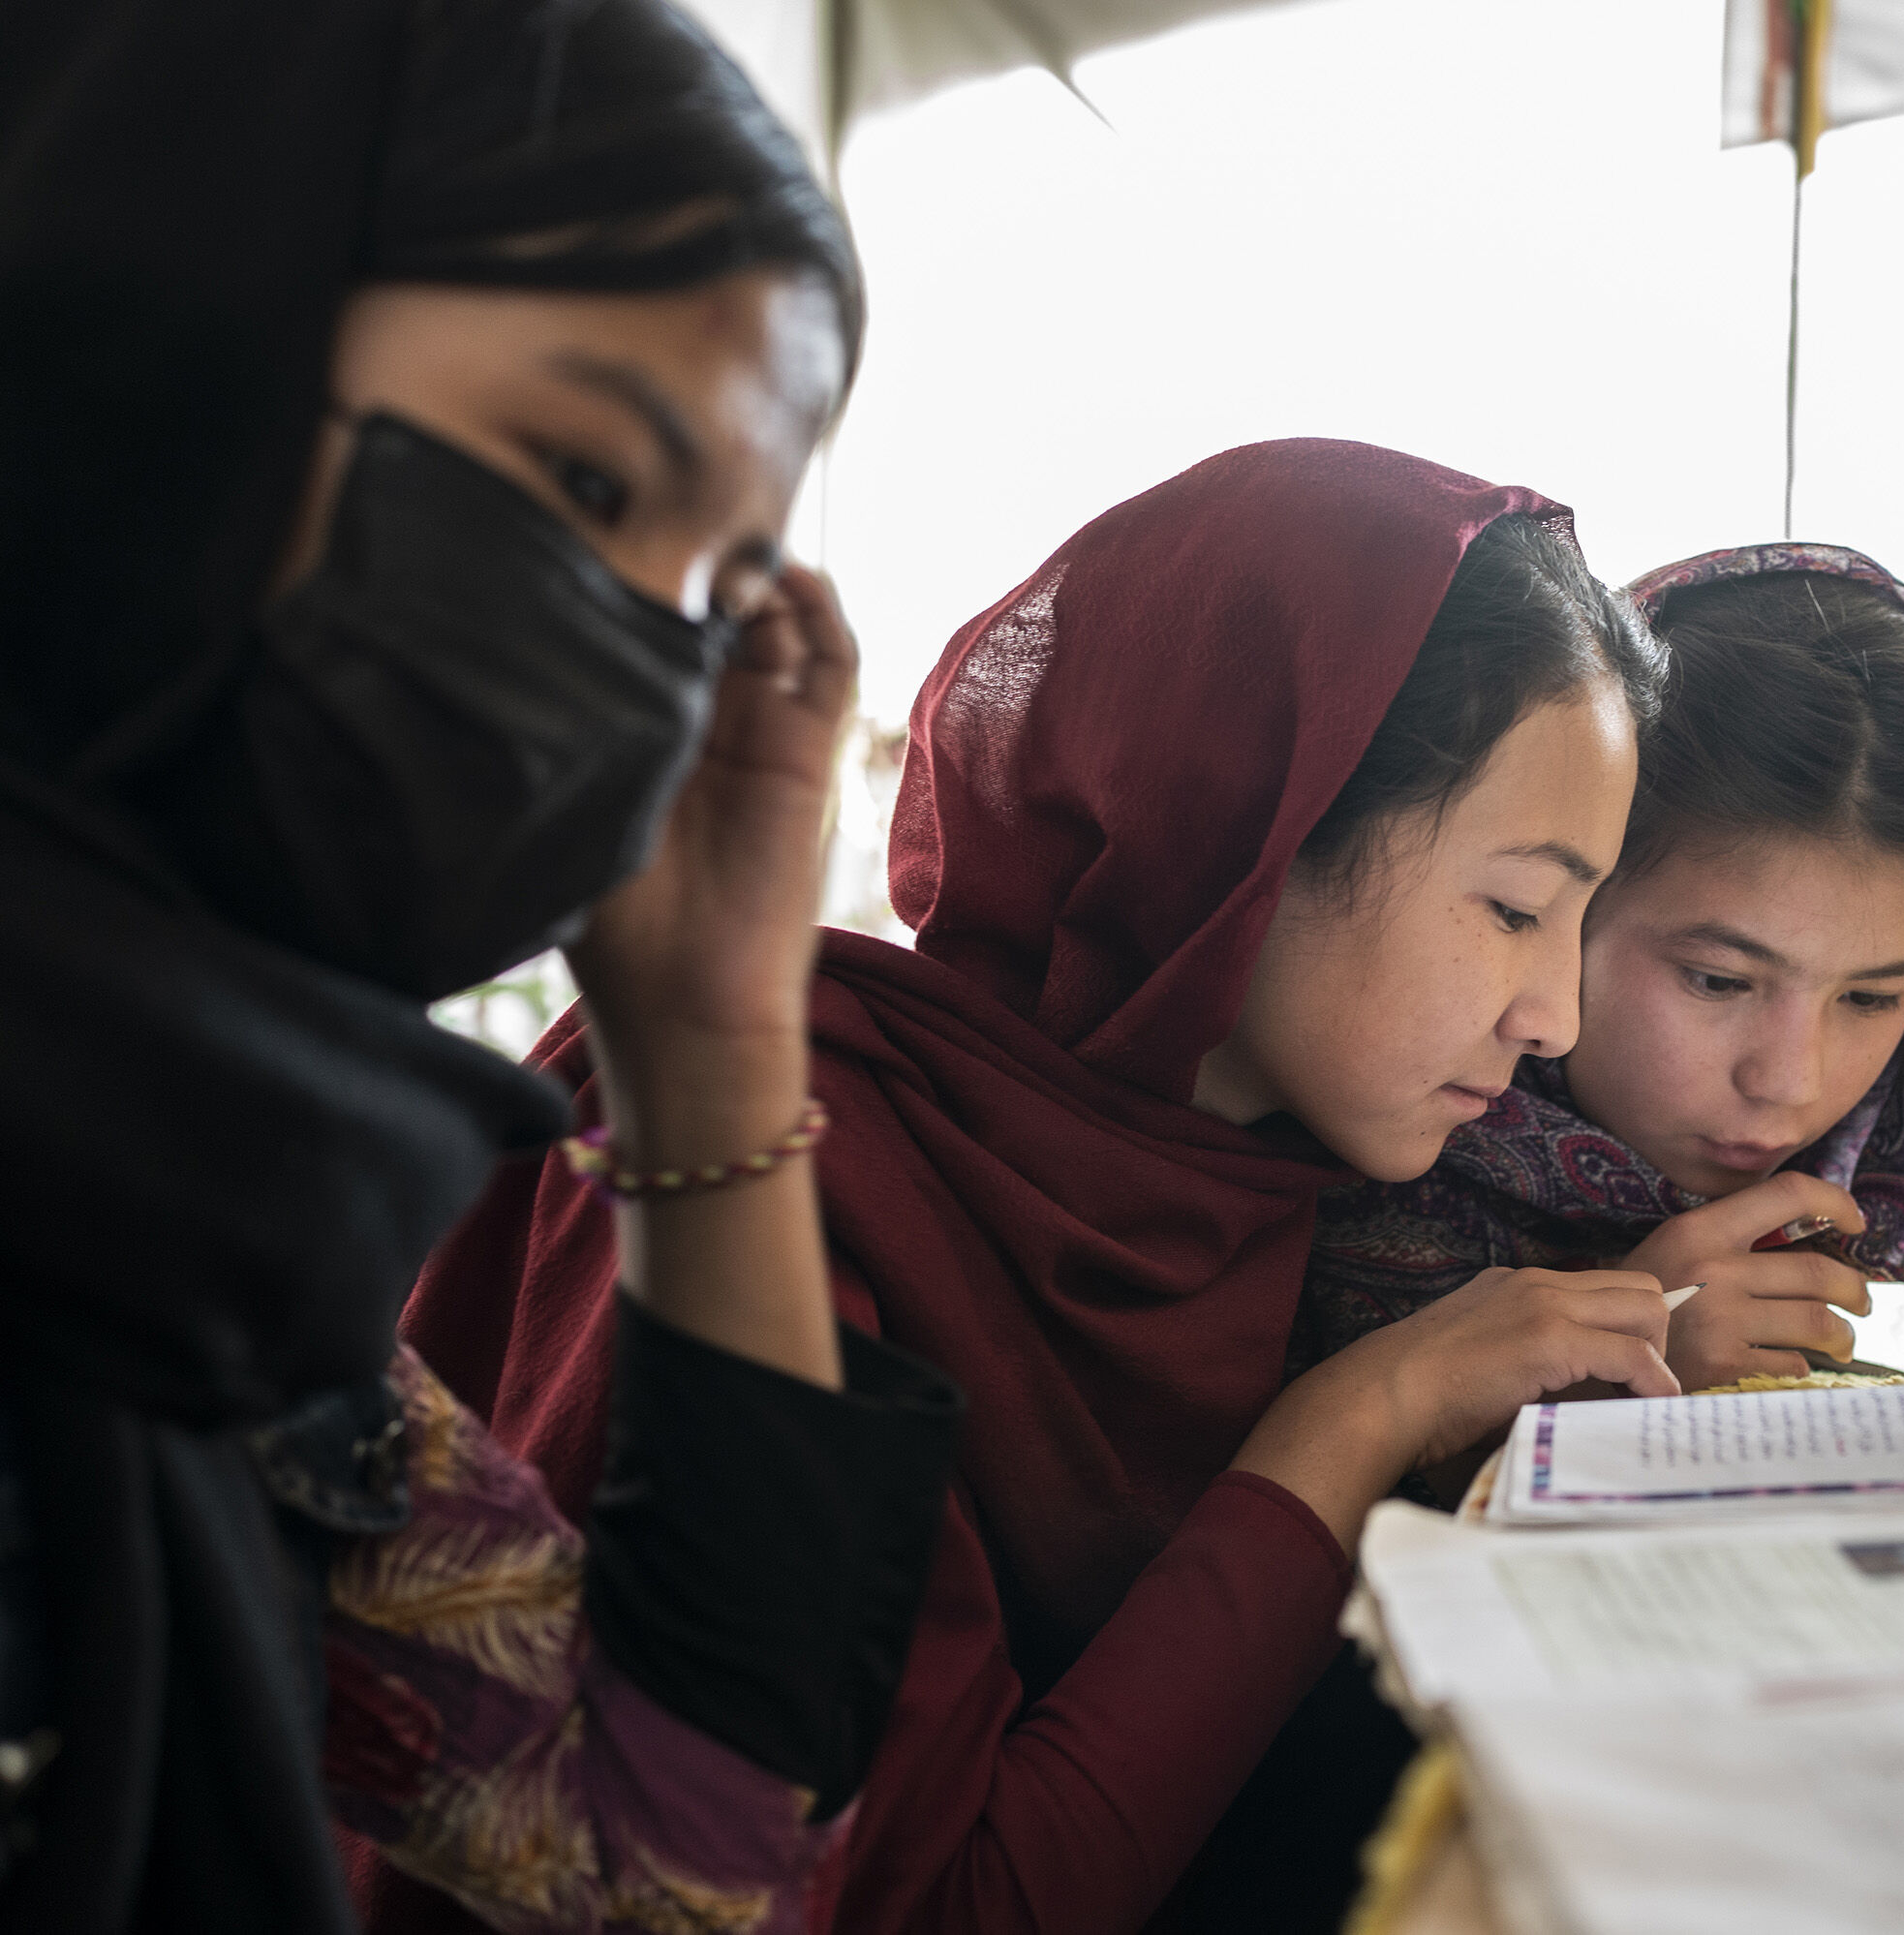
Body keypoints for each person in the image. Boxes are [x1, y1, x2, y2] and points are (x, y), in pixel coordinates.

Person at [389, 443, 1683, 1935]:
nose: (1555, 1018)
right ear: (1250, 831)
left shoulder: (1252, 1186)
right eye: (1515, 906)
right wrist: (1346, 1428)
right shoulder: (747, 1151)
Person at [0, 3, 964, 1930]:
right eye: (592, 485)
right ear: (155, 290)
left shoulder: (211, 1252)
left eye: (706, 596)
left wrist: (705, 1035)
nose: (634, 681)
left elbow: (675, 1864)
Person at [1303, 543, 1904, 1396]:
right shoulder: (1341, 1138)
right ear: (1569, 900)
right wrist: (1619, 1368)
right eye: (1717, 981)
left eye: (1870, 996)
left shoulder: (1860, 1227)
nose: (1789, 1082)